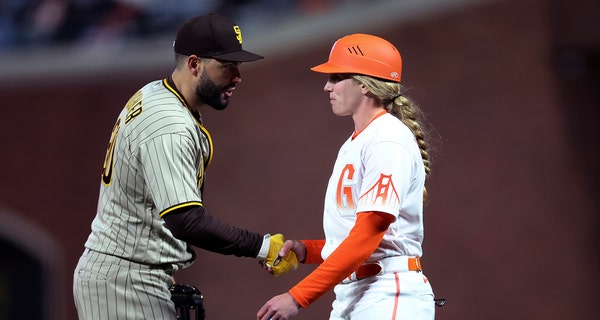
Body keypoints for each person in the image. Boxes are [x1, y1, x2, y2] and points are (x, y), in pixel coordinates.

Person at [73, 13, 296, 320]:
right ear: (194, 64)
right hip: (125, 279)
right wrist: (260, 246)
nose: (237, 76)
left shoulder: (156, 93)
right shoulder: (170, 124)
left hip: (131, 272)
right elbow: (185, 220)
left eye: (238, 66)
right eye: (227, 66)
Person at [257, 33, 437, 320]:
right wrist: (307, 251)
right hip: (357, 293)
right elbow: (361, 237)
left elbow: (367, 237)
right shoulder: (358, 141)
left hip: (388, 292)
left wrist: (297, 296)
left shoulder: (387, 139)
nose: (327, 86)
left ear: (365, 84)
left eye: (337, 77)